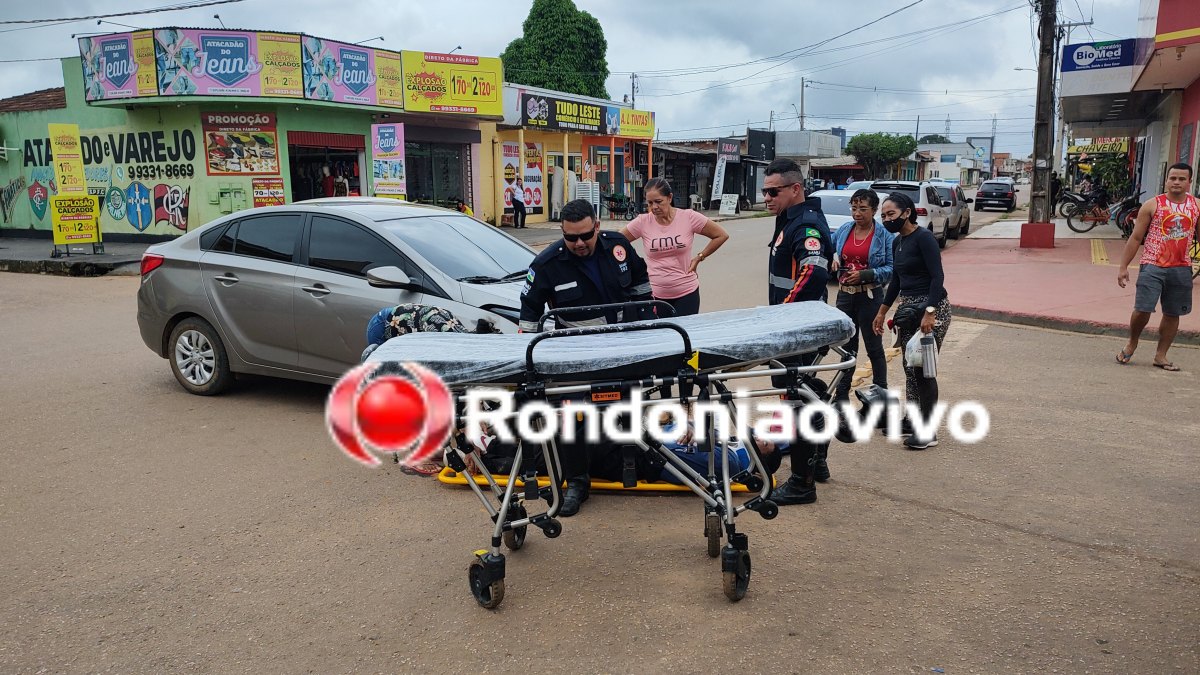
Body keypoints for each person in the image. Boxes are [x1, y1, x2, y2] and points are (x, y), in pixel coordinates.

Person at [518, 198, 655, 516]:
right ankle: (577, 483)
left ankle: (631, 463)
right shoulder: (547, 264)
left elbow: (640, 284)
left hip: (624, 346)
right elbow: (528, 317)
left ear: (597, 226)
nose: (578, 243)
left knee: (628, 407)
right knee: (573, 421)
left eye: (584, 235)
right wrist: (529, 360)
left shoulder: (618, 246)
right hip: (576, 353)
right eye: (570, 237)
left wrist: (647, 328)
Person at [760, 158, 836, 506]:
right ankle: (817, 460)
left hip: (796, 327)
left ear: (795, 189)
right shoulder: (787, 219)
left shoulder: (805, 225)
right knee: (809, 392)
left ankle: (802, 483)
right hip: (790, 323)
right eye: (764, 191)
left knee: (797, 400)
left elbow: (813, 274)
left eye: (773, 191)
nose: (766, 197)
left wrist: (785, 314)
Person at [871, 192, 951, 450]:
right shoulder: (898, 242)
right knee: (910, 365)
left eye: (891, 214)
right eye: (883, 215)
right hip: (908, 309)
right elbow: (895, 280)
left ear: (906, 212)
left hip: (932, 308)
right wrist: (882, 311)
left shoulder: (924, 238)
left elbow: (937, 277)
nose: (886, 219)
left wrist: (930, 311)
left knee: (924, 370)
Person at [1115, 163, 1197, 371]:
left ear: (1189, 181)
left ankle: (1161, 355)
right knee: (1142, 309)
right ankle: (1132, 343)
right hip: (1152, 265)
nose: (1176, 182)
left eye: (1181, 179)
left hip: (1181, 267)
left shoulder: (1196, 206)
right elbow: (1135, 238)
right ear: (1167, 180)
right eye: (1173, 178)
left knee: (1172, 313)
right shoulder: (1153, 205)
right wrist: (1123, 266)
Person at [618, 178, 729, 316]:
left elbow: (721, 235)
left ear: (669, 197)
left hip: (687, 292)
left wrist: (700, 257)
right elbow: (615, 242)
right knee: (661, 336)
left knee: (683, 335)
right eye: (650, 203)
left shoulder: (688, 217)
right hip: (655, 295)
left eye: (658, 202)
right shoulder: (643, 222)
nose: (654, 207)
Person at [830, 189, 894, 404]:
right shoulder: (845, 229)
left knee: (874, 348)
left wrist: (866, 274)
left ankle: (881, 395)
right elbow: (828, 246)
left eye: (863, 209)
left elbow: (892, 268)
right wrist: (833, 258)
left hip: (870, 296)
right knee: (847, 347)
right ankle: (841, 396)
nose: (857, 213)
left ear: (874, 210)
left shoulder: (884, 235)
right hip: (844, 297)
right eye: (854, 208)